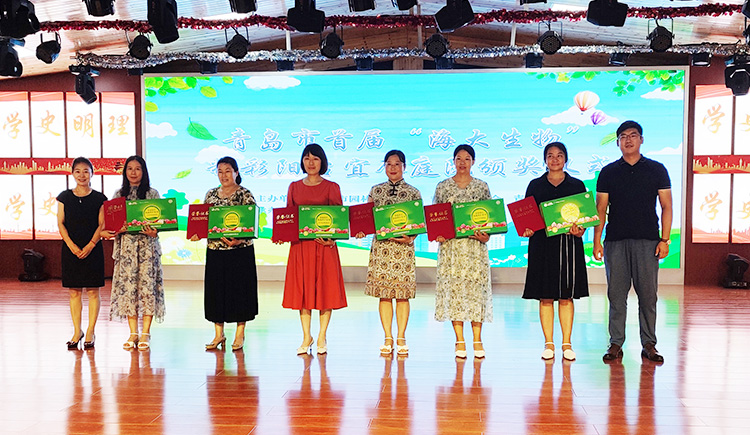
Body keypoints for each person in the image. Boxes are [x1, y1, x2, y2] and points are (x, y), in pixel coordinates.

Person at [593, 120, 672, 363]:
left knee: (648, 296)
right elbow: (600, 209)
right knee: (616, 296)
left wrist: (665, 239)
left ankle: (649, 344)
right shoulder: (608, 172)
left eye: (633, 135)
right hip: (616, 241)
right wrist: (597, 241)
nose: (628, 140)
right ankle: (616, 343)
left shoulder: (657, 169)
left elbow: (667, 206)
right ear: (617, 142)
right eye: (623, 136)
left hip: (648, 241)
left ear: (641, 139)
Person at [521, 142, 589, 361]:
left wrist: (580, 230)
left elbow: (585, 217)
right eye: (550, 155)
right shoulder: (535, 185)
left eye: (559, 155)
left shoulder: (577, 185)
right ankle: (548, 343)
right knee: (546, 296)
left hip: (568, 244)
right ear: (545, 160)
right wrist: (527, 229)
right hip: (541, 245)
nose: (555, 159)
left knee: (566, 296)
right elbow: (527, 217)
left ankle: (567, 344)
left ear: (566, 159)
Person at [278, 144, 347, 355]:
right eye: (307, 158)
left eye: (315, 158)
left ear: (322, 162)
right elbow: (288, 217)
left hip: (325, 248)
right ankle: (306, 336)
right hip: (301, 248)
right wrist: (281, 234)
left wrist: (332, 240)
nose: (311, 162)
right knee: (303, 292)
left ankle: (322, 336)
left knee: (326, 291)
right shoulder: (294, 187)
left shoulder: (332, 187)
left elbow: (339, 219)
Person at [356, 150, 421, 355]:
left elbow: (419, 222)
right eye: (389, 164)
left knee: (402, 295)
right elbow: (366, 218)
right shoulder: (375, 190)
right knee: (384, 295)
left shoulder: (413, 192)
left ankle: (401, 337)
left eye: (397, 164)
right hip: (382, 250)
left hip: (403, 249)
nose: (393, 168)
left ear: (404, 167)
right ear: (384, 166)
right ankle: (387, 337)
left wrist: (411, 237)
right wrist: (360, 229)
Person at [434, 144, 492, 359]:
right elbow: (435, 216)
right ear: (453, 161)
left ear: (473, 162)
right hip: (451, 249)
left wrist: (486, 235)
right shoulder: (443, 187)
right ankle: (459, 340)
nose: (462, 162)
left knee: (476, 293)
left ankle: (477, 339)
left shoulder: (482, 187)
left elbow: (490, 218)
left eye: (467, 159)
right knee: (455, 293)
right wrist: (438, 233)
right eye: (459, 158)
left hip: (475, 248)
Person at [195, 156, 259, 351]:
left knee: (240, 292)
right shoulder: (211, 194)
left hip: (240, 252)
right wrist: (197, 232)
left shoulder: (245, 194)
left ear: (236, 173)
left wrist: (240, 239)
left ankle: (240, 334)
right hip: (216, 251)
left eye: (228, 171)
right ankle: (218, 334)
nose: (224, 175)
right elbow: (204, 221)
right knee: (216, 292)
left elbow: (253, 224)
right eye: (220, 171)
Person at [102, 155, 165, 351]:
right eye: (130, 168)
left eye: (138, 168)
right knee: (129, 289)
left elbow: (161, 222)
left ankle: (145, 332)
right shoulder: (118, 194)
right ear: (125, 172)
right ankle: (133, 333)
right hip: (127, 249)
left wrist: (155, 231)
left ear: (143, 171)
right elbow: (111, 224)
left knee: (147, 289)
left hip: (147, 249)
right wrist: (117, 229)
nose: (133, 172)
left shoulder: (152, 194)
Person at [57, 157, 107, 350]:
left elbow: (101, 224)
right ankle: (77, 331)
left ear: (92, 173)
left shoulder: (100, 198)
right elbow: (61, 223)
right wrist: (71, 245)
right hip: (71, 249)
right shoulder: (64, 197)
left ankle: (91, 331)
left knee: (93, 291)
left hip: (93, 249)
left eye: (86, 171)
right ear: (72, 173)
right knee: (74, 292)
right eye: (78, 171)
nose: (82, 175)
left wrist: (91, 245)